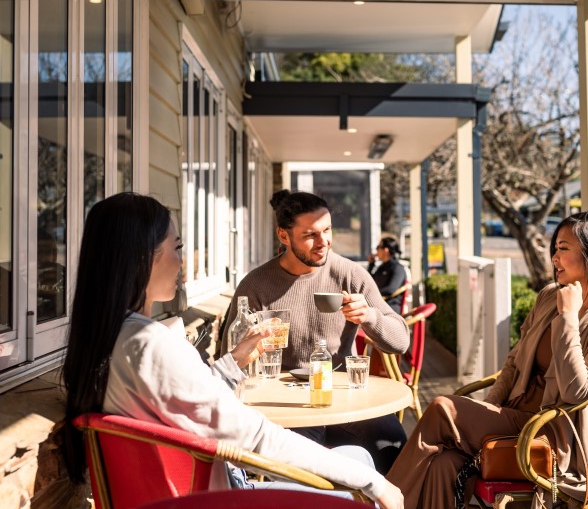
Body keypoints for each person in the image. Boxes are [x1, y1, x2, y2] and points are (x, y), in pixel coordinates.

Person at [61, 192, 403, 509]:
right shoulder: (151, 344)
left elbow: (192, 400)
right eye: (177, 247)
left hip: (188, 490)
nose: (183, 261)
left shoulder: (108, 339)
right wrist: (375, 484)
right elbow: (255, 438)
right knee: (363, 470)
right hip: (221, 495)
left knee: (364, 452)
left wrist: (236, 360)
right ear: (141, 258)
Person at [386, 210, 588, 508]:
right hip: (514, 419)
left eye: (563, 249)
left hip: (554, 440)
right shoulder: (548, 296)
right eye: (554, 249)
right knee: (444, 463)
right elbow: (514, 362)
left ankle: (383, 499)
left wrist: (568, 317)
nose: (554, 258)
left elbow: (576, 391)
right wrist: (489, 408)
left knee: (443, 407)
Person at [220, 190, 410, 474]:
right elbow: (228, 358)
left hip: (343, 401)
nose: (324, 243)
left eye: (327, 230)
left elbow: (401, 341)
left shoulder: (350, 275)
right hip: (285, 408)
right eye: (311, 235)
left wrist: (369, 316)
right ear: (284, 236)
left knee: (393, 443)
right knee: (306, 470)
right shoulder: (256, 286)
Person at [367, 237, 407, 314]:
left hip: (389, 308)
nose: (376, 251)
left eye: (378, 247)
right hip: (377, 305)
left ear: (386, 250)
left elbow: (390, 289)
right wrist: (371, 264)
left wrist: (371, 293)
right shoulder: (382, 267)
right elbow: (370, 281)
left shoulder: (398, 268)